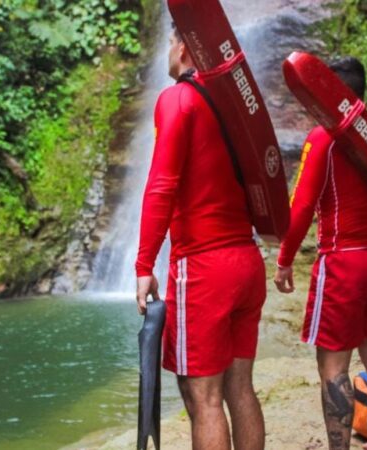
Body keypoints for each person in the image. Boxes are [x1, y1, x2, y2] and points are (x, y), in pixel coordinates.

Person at [135, 24, 266, 450]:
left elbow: (161, 184)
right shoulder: (233, 107)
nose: (167, 52)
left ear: (187, 49)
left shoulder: (177, 99)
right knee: (239, 387)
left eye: (171, 43)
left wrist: (143, 265)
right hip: (247, 261)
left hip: (204, 268)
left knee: (203, 398)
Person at [274, 57, 367, 450]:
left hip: (344, 263)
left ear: (336, 94)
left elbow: (300, 205)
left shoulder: (325, 138)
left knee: (333, 367)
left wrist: (284, 259)